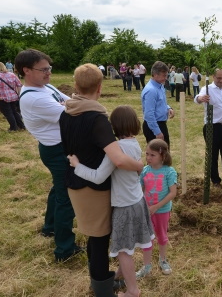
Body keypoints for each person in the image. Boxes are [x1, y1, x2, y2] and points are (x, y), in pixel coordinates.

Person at [59, 64, 144, 295]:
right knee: (98, 240)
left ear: (76, 86)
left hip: (75, 184)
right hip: (94, 187)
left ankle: (102, 278)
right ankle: (102, 288)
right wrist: (139, 166)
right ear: (99, 87)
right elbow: (118, 159)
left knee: (93, 237)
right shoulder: (97, 119)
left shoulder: (66, 112)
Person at [67, 105, 154, 297]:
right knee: (129, 246)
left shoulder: (118, 149)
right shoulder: (134, 143)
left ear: (114, 126)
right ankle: (121, 274)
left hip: (124, 207)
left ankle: (133, 291)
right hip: (138, 201)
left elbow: (98, 177)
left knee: (123, 251)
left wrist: (77, 166)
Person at [14, 49, 81, 262]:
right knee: (66, 197)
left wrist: (66, 105)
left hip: (59, 147)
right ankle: (64, 249)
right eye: (44, 70)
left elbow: (71, 101)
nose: (49, 73)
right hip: (55, 151)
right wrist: (66, 106)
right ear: (26, 70)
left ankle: (50, 227)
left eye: (49, 68)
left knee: (58, 188)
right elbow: (72, 113)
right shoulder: (33, 98)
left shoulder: (45, 87)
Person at [137, 139, 178, 278]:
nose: (148, 157)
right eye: (147, 154)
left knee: (161, 236)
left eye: (152, 155)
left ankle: (163, 260)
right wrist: (144, 206)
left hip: (162, 211)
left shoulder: (169, 172)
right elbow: (140, 190)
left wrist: (156, 207)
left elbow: (173, 193)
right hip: (147, 211)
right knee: (147, 238)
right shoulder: (144, 171)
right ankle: (147, 266)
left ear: (162, 155)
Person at [195, 69, 222, 187]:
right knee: (212, 155)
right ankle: (215, 180)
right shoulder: (207, 89)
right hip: (211, 127)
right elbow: (197, 97)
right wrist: (201, 99)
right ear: (213, 77)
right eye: (219, 78)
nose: (221, 81)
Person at [141, 61, 174, 146]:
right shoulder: (151, 90)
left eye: (166, 75)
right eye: (164, 75)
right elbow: (149, 114)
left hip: (161, 124)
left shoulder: (160, 86)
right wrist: (157, 132)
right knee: (158, 156)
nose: (166, 78)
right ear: (155, 75)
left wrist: (168, 108)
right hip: (153, 126)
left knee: (165, 155)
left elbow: (161, 102)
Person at [0, 62, 25, 131]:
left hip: (3, 99)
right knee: (15, 112)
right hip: (14, 97)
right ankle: (21, 126)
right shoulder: (12, 74)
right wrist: (18, 94)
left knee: (8, 113)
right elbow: (19, 84)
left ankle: (13, 128)